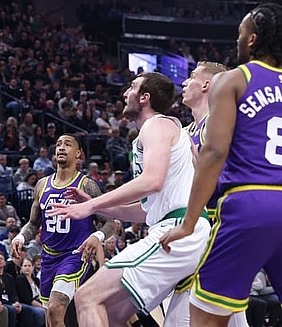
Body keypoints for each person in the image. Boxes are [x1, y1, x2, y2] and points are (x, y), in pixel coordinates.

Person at [159, 3, 282, 327]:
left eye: (240, 34)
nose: (238, 41)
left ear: (253, 40)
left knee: (205, 317)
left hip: (249, 205)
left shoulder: (233, 80)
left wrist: (188, 223)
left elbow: (214, 153)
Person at [48, 72, 211, 327]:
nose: (125, 93)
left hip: (178, 233)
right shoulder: (158, 132)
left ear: (145, 97)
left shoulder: (156, 125)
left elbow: (152, 180)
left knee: (87, 298)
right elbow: (146, 211)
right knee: (111, 315)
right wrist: (97, 205)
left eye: (132, 87)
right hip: (180, 231)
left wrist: (90, 204)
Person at [165, 60, 251, 327]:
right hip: (195, 232)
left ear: (206, 85)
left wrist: (199, 169)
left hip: (220, 229)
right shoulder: (183, 133)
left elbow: (240, 179)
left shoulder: (225, 123)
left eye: (191, 76)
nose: (184, 82)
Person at [9, 134, 115, 327]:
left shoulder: (87, 185)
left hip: (75, 255)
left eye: (67, 144)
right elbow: (33, 224)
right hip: (49, 257)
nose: (61, 147)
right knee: (51, 318)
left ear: (78, 153)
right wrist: (20, 238)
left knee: (56, 309)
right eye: (58, 144)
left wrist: (96, 236)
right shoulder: (42, 185)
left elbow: (110, 222)